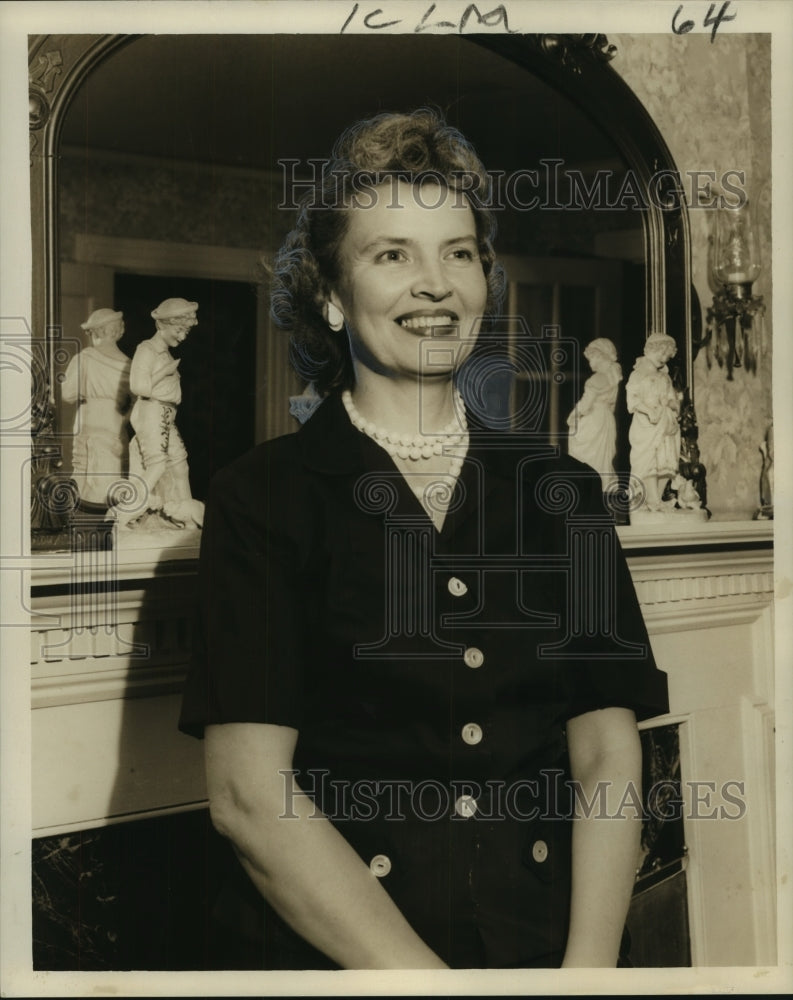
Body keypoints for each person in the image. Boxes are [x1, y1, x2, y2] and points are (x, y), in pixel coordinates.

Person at [179, 110, 669, 970]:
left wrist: (587, 975)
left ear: (485, 280)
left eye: (457, 253)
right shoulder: (260, 498)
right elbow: (249, 798)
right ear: (330, 297)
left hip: (547, 953)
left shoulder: (563, 494)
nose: (434, 283)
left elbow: (605, 753)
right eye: (391, 254)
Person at [125, 297, 204, 528]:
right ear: (162, 325)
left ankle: (189, 519)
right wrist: (165, 372)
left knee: (180, 465)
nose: (182, 336)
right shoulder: (147, 349)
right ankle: (126, 512)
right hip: (152, 412)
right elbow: (139, 387)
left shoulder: (166, 354)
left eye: (186, 331)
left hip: (166, 416)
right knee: (157, 466)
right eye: (179, 330)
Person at [61, 307, 131, 506]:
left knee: (82, 484)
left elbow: (67, 394)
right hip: (115, 428)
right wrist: (124, 418)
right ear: (118, 330)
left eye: (90, 332)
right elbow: (137, 405)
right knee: (111, 484)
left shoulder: (85, 358)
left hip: (88, 424)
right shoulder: (131, 364)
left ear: (97, 332)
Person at [625, 332, 681, 511]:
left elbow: (672, 397)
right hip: (647, 425)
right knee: (648, 460)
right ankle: (652, 500)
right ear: (650, 350)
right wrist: (648, 410)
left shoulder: (664, 377)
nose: (664, 359)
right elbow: (632, 401)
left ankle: (656, 498)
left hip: (666, 424)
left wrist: (673, 404)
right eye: (662, 353)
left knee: (666, 462)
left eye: (668, 356)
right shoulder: (638, 375)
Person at [566, 338, 622, 492]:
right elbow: (612, 405)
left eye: (592, 358)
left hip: (594, 419)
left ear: (600, 356)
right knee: (602, 458)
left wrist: (574, 415)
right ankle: (604, 490)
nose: (590, 362)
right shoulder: (613, 377)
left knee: (587, 455)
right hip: (607, 420)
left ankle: (587, 490)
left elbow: (586, 403)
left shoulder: (597, 379)